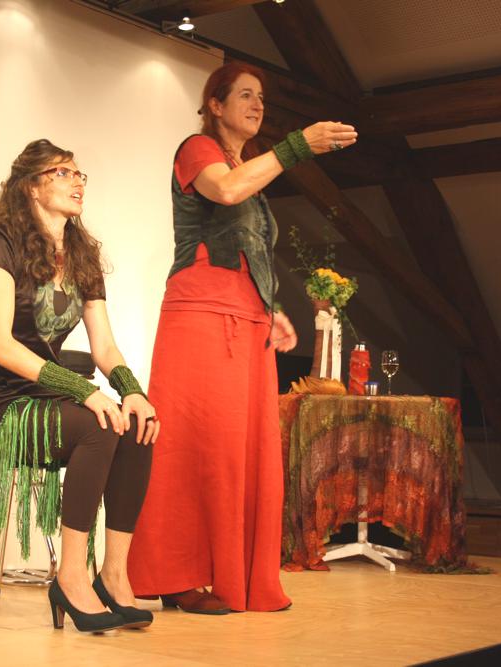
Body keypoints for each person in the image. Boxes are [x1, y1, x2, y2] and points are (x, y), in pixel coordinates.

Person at [126, 62, 358, 612]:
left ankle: (234, 575)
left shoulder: (248, 167)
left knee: (241, 452)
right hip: (201, 315)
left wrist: (269, 306)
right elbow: (226, 193)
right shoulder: (197, 150)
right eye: (246, 96)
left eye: (262, 98)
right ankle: (178, 576)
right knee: (195, 448)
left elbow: (246, 243)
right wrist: (296, 147)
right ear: (215, 104)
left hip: (245, 320)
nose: (257, 106)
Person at [0, 139, 160, 633]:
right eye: (62, 173)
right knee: (98, 425)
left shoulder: (82, 254)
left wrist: (132, 390)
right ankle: (70, 577)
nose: (77, 181)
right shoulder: (1, 242)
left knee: (134, 424)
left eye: (79, 173)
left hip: (43, 400)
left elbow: (104, 346)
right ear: (31, 187)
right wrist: (83, 390)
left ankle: (113, 575)